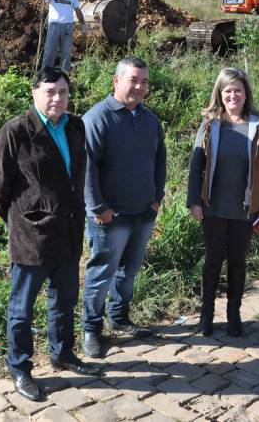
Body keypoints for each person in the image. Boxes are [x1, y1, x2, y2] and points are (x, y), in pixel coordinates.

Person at [0, 69, 99, 402]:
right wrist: (22, 221)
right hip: (31, 237)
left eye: (63, 92)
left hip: (68, 232)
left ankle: (62, 352)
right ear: (34, 93)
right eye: (50, 91)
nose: (57, 99)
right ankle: (20, 368)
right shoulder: (17, 131)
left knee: (64, 300)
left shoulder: (75, 126)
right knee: (21, 308)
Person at [80, 56, 167, 358]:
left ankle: (119, 317)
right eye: (134, 80)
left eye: (144, 81)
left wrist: (157, 197)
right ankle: (91, 329)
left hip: (143, 212)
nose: (140, 86)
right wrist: (98, 208)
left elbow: (160, 160)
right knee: (101, 272)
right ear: (117, 81)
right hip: (110, 215)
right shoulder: (97, 118)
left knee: (128, 271)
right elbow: (86, 168)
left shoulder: (149, 119)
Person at [187, 68, 259, 337]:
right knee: (212, 261)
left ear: (246, 93)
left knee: (238, 263)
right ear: (220, 93)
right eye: (228, 90)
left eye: (238, 89)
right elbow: (196, 166)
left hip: (245, 209)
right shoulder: (210, 123)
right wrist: (194, 201)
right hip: (213, 207)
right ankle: (206, 315)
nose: (233, 95)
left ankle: (233, 314)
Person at [36, 0, 86, 71]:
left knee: (66, 52)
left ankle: (64, 75)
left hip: (68, 27)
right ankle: (45, 73)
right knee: (50, 51)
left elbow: (78, 11)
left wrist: (83, 24)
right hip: (54, 25)